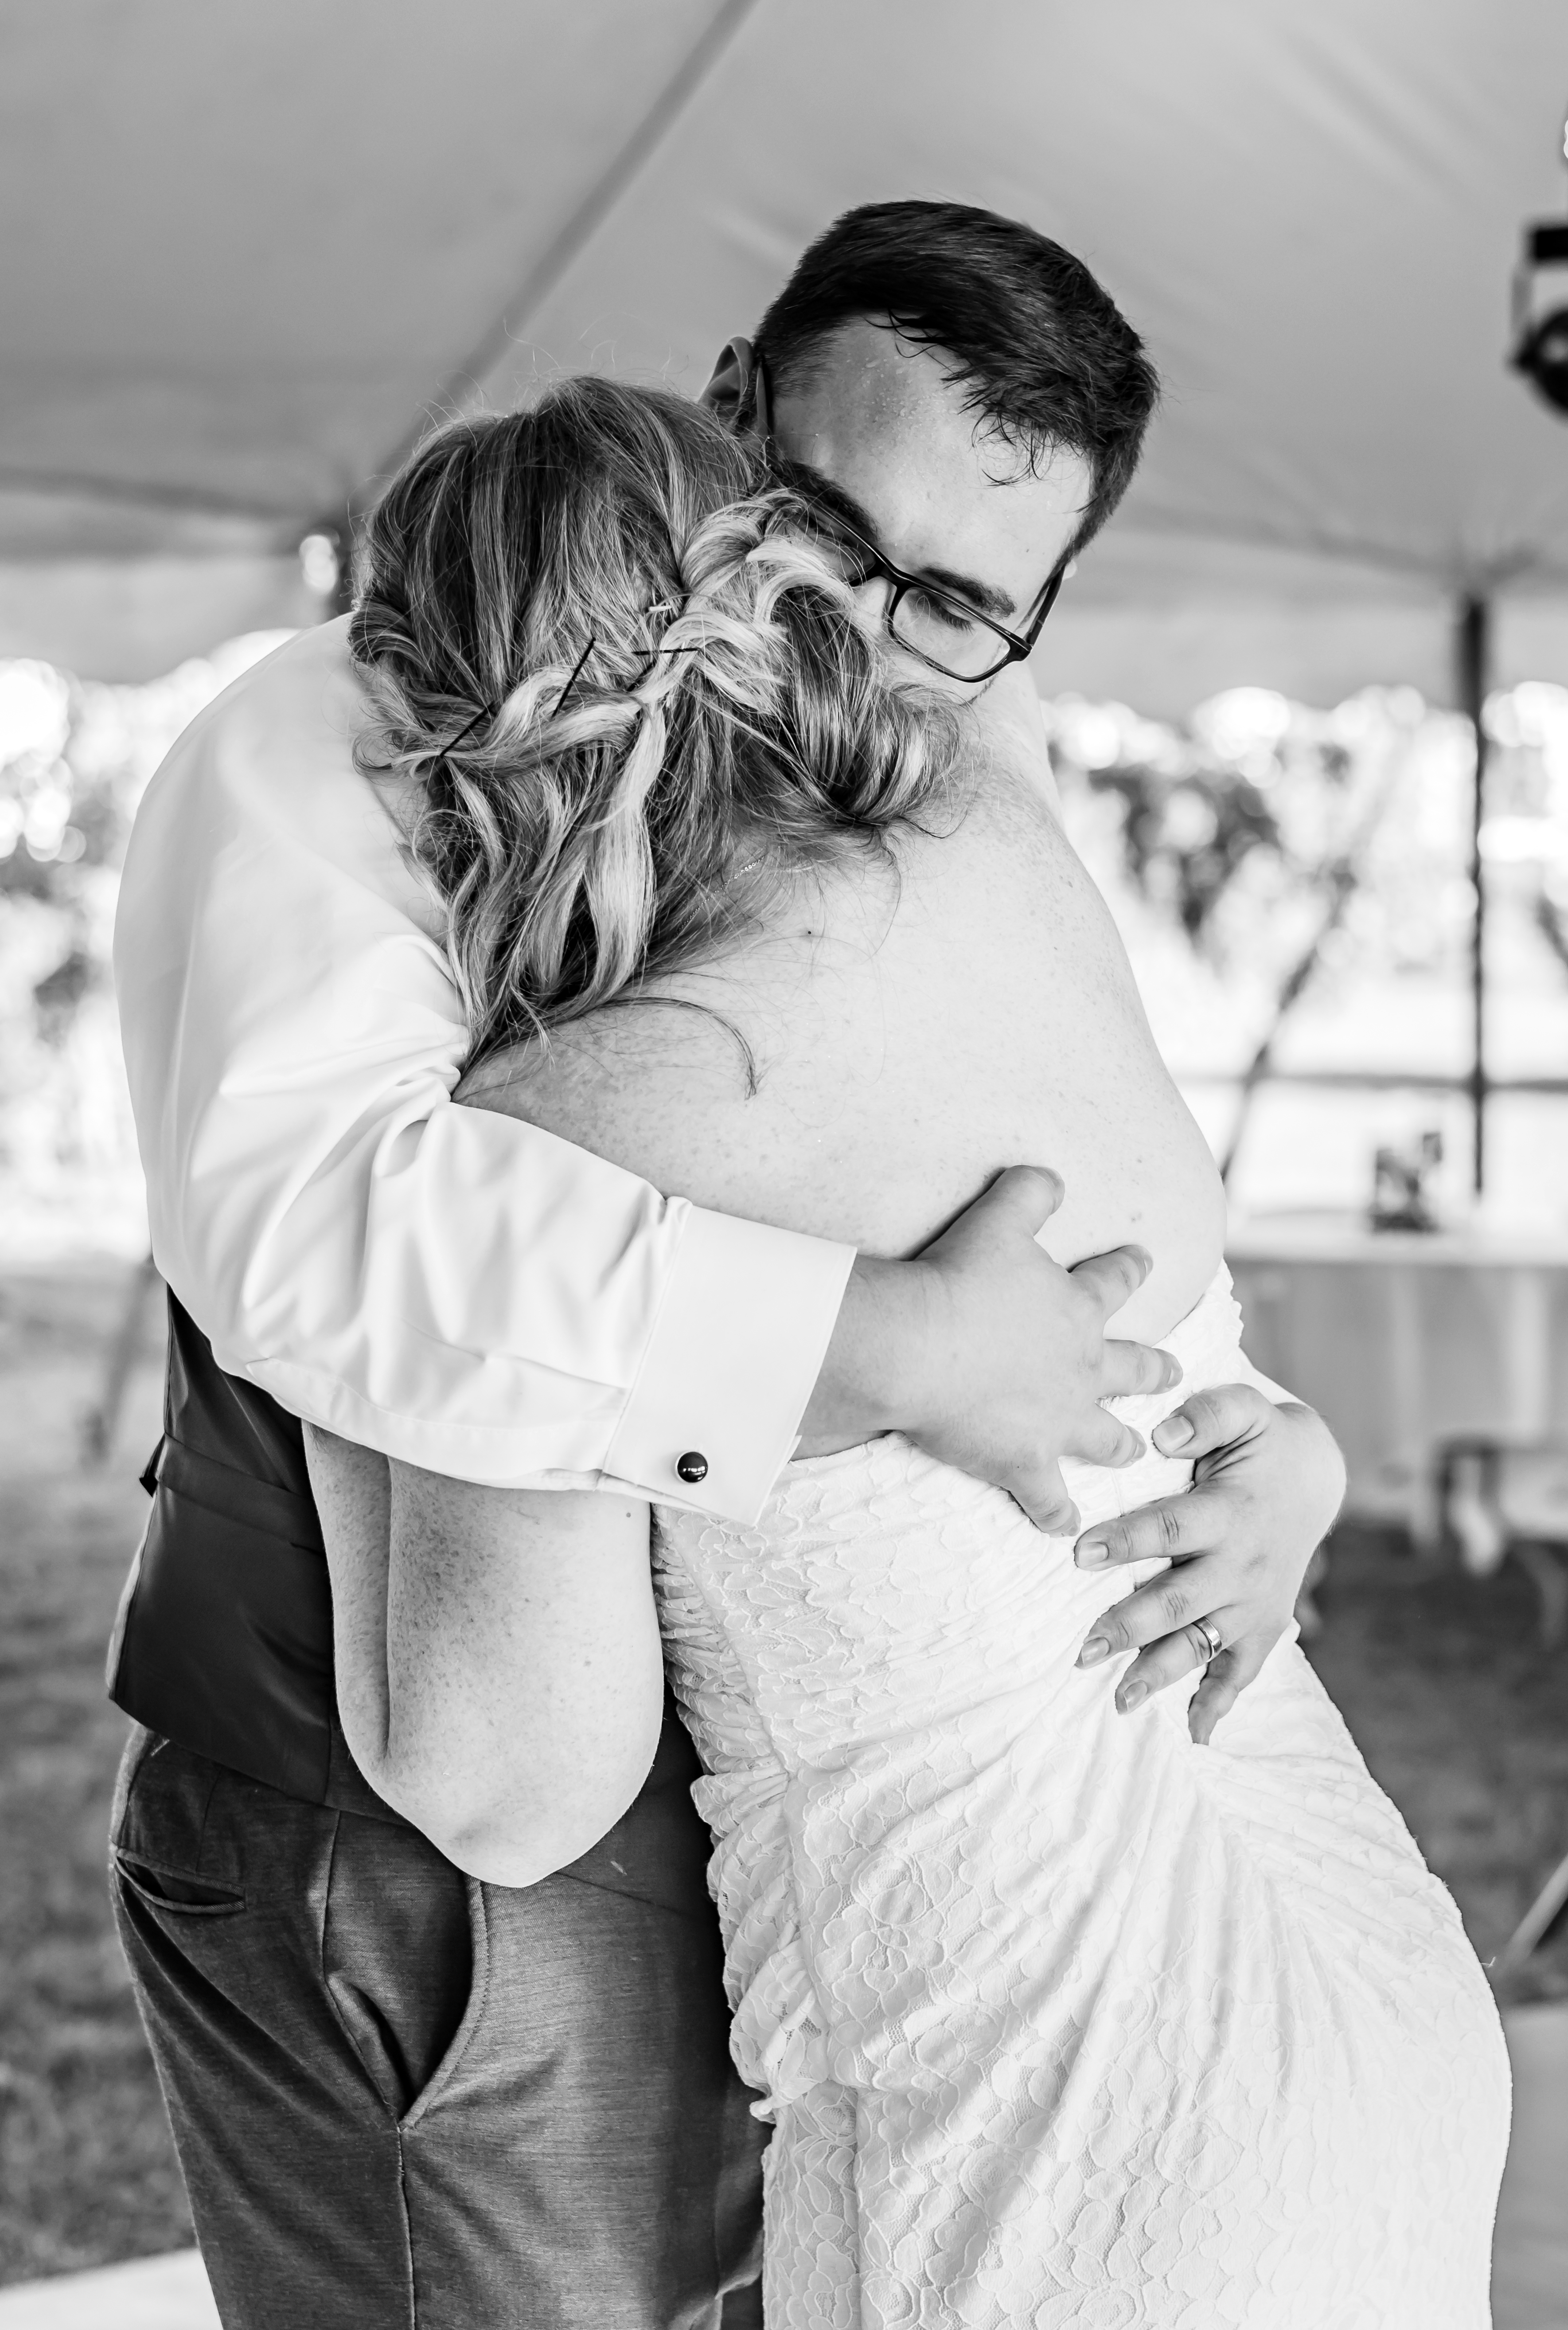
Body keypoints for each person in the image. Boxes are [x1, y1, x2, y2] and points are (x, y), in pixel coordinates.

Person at [110, 206, 1352, 2329]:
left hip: (821, 1825)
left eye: (958, 604)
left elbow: (1056, 1203)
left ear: (1037, 621)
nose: (859, 632)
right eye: (821, 530)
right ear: (727, 410)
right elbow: (325, 1223)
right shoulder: (346, 725)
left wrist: (1262, 1463)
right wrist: (887, 1345)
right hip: (420, 1799)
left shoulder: (954, 764)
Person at [312, 372, 1511, 2327]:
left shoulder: (556, 1129)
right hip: (1370, 1990)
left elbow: (507, 1779)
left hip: (1065, 2125)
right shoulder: (1000, 852)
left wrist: (364, 1354)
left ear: (458, 730)